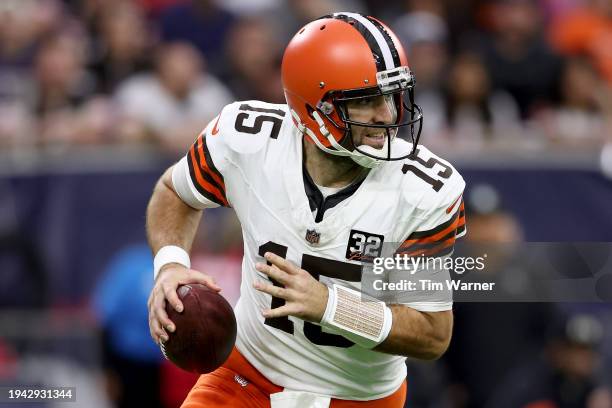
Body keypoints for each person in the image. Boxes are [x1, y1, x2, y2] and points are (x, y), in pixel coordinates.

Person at [146, 12, 466, 407]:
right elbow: (174, 192)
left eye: (390, 95)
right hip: (247, 374)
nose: (386, 115)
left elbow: (433, 333)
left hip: (358, 398)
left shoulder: (421, 191)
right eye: (364, 101)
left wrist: (331, 306)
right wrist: (171, 265)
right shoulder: (247, 140)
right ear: (314, 110)